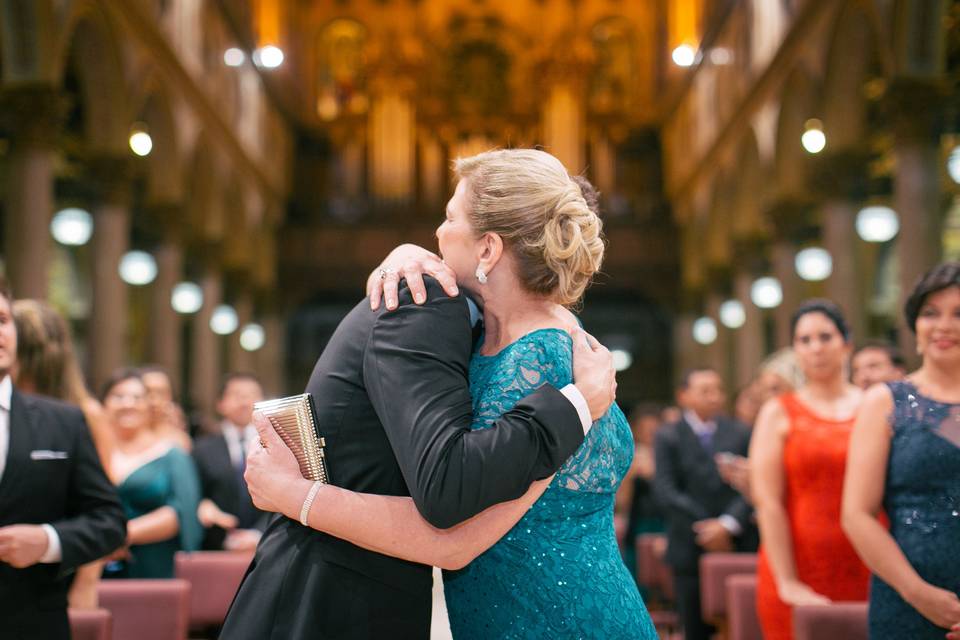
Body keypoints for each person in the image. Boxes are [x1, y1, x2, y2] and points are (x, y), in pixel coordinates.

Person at [228, 149, 654, 639]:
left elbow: (454, 540)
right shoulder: (532, 333)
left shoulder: (548, 366)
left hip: (547, 619)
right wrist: (400, 260)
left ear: (489, 249)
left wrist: (296, 496)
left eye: (450, 217)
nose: (435, 234)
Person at [0, 282, 127, 639]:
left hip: (29, 620)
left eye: (3, 319)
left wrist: (47, 540)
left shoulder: (66, 421)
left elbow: (110, 522)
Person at [842, 262, 960, 639]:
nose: (943, 325)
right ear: (916, 326)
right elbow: (857, 514)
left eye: (959, 314)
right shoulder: (886, 401)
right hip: (908, 600)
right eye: (931, 313)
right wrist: (919, 594)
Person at [751, 299, 869, 640]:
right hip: (795, 561)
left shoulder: (873, 405)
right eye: (805, 340)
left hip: (867, 560)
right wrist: (787, 581)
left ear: (846, 344)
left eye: (825, 337)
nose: (815, 348)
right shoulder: (778, 411)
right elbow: (768, 501)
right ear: (795, 350)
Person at [653, 367, 756, 640]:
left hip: (737, 539)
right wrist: (706, 528)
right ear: (683, 395)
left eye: (718, 390)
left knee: (742, 625)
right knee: (695, 626)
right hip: (689, 543)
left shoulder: (740, 432)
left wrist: (727, 524)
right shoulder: (668, 436)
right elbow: (666, 490)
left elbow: (752, 485)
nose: (714, 397)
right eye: (705, 391)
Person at [101, 369, 202, 578]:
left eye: (137, 398)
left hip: (152, 564)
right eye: (118, 396)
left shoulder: (172, 453)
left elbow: (181, 511)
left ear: (150, 406)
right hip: (93, 563)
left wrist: (122, 535)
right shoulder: (89, 450)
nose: (128, 404)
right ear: (104, 403)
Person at [192, 372, 267, 551]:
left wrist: (258, 534)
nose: (244, 402)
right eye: (236, 395)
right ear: (221, 404)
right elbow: (196, 495)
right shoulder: (202, 449)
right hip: (216, 545)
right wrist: (203, 506)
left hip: (267, 544)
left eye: (251, 395)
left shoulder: (277, 446)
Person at [615, 404, 665, 587]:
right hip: (639, 524)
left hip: (665, 524)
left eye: (655, 430)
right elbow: (621, 503)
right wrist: (630, 474)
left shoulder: (670, 458)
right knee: (636, 577)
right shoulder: (627, 456)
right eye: (645, 431)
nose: (650, 436)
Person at [139, 365, 192, 451]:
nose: (153, 401)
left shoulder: (179, 441)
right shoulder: (118, 436)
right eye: (147, 391)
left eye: (161, 393)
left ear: (170, 397)